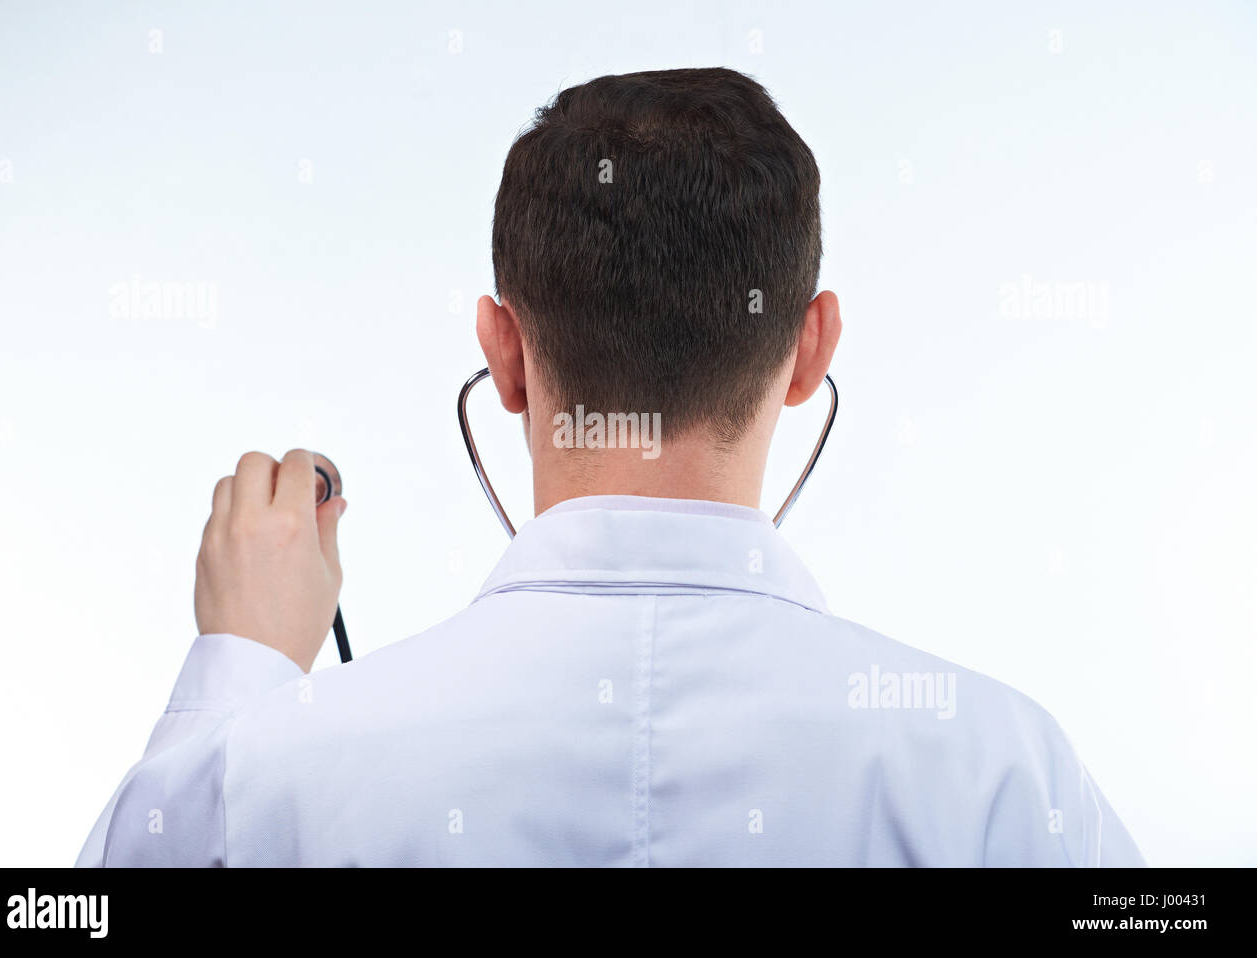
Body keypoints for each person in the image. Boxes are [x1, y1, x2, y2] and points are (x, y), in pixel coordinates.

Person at [77, 67, 1143, 867]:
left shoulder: (276, 773)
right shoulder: (1004, 773)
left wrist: (240, 672)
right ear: (812, 347)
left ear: (502, 350)